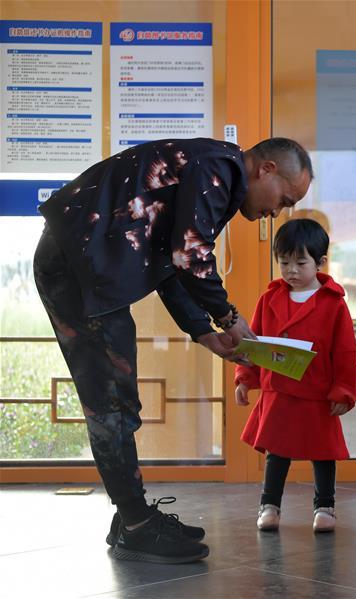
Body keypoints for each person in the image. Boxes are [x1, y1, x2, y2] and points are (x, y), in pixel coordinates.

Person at [33, 137, 313, 564]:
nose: (279, 212)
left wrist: (205, 333)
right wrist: (231, 319)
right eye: (285, 199)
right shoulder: (218, 169)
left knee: (118, 397)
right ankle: (137, 525)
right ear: (267, 169)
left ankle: (130, 518)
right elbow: (190, 257)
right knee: (111, 399)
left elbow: (169, 264)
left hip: (80, 264)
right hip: (74, 266)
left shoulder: (211, 171)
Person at [235, 218, 356, 533]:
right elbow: (254, 342)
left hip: (318, 393)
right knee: (277, 452)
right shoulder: (270, 298)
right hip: (277, 391)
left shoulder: (334, 304)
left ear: (320, 262)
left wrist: (344, 390)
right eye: (284, 262)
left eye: (300, 262)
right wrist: (245, 378)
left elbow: (345, 351)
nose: (291, 270)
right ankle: (269, 505)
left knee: (323, 453)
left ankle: (325, 507)